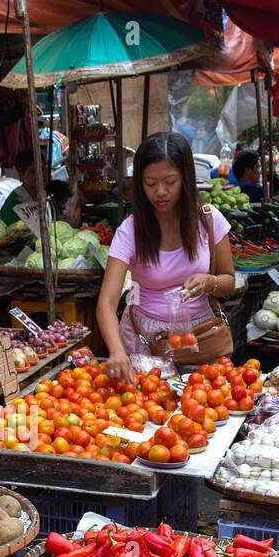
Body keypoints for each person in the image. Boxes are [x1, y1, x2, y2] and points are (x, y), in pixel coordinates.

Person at [96, 131, 236, 382]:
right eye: (150, 183)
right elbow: (106, 303)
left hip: (199, 338)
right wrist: (116, 351)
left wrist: (208, 282)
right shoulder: (130, 230)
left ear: (186, 178)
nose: (160, 191)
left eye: (170, 182)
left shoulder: (209, 219)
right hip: (144, 341)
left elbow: (229, 281)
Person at [0, 149, 40, 225]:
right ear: (21, 175)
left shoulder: (48, 195)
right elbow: (16, 232)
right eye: (33, 171)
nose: (41, 174)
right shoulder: (15, 202)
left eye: (44, 168)